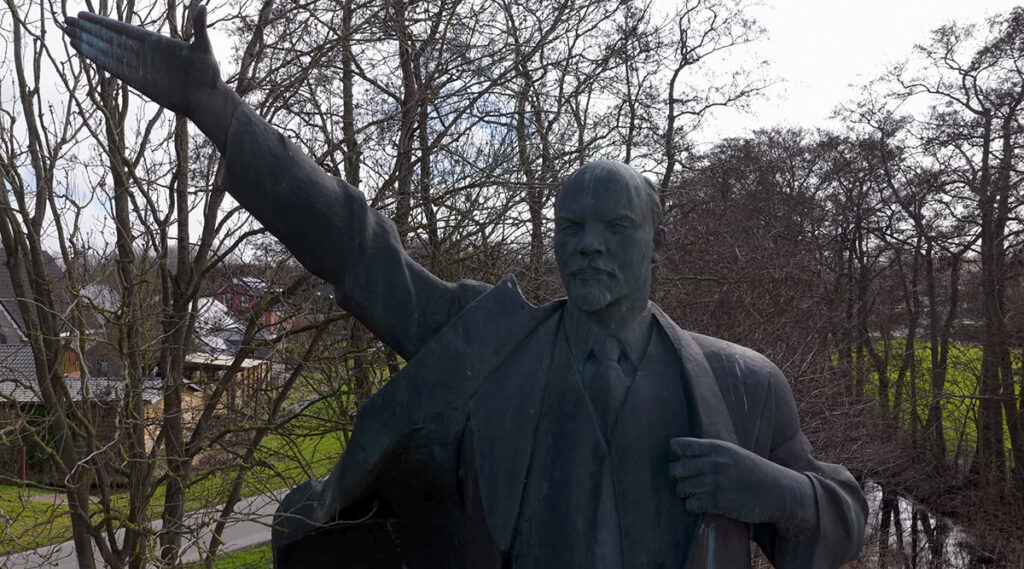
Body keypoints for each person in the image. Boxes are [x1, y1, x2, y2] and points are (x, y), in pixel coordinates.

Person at [65, 7, 867, 568]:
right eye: (570, 226)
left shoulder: (742, 383)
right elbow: (354, 247)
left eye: (613, 227)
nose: (587, 244)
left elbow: (841, 509)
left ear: (657, 240)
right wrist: (216, 110)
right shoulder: (492, 342)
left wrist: (780, 493)